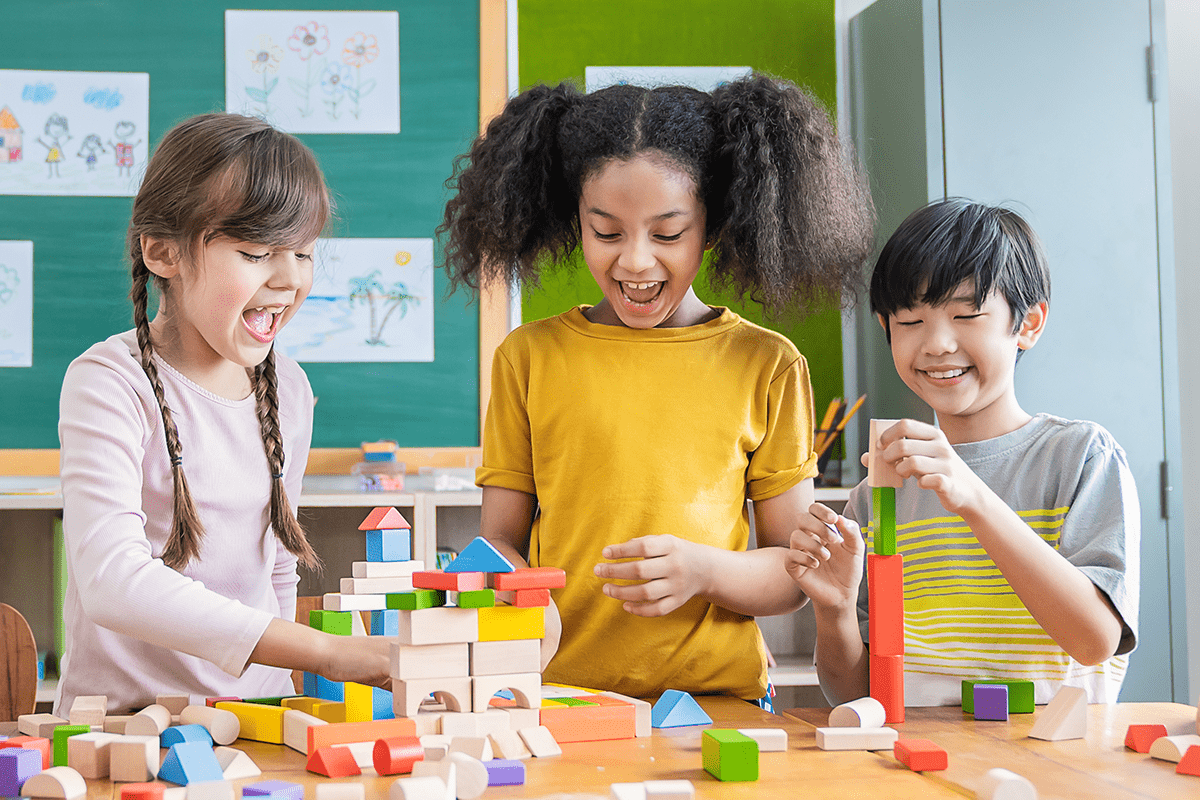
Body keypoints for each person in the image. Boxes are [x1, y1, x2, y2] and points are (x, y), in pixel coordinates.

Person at [439, 75, 875, 701]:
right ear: (575, 224)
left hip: (718, 700)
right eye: (607, 232)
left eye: (667, 234)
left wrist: (704, 570)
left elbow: (792, 571)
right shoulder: (529, 358)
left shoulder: (767, 364)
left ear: (713, 225)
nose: (636, 261)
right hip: (559, 695)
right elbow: (500, 538)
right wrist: (507, 581)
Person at [56, 113, 390, 715]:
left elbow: (278, 564)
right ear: (162, 251)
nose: (289, 279)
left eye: (304, 253)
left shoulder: (286, 385)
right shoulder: (109, 381)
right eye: (258, 252)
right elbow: (110, 580)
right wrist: (325, 653)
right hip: (124, 726)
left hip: (255, 720)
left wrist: (289, 689)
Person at [792, 198, 1139, 707]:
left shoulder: (1082, 456)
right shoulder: (878, 495)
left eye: (967, 314)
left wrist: (972, 496)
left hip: (1055, 768)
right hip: (921, 769)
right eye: (909, 321)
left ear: (1028, 324)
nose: (935, 344)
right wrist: (836, 610)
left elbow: (1094, 641)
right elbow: (858, 695)